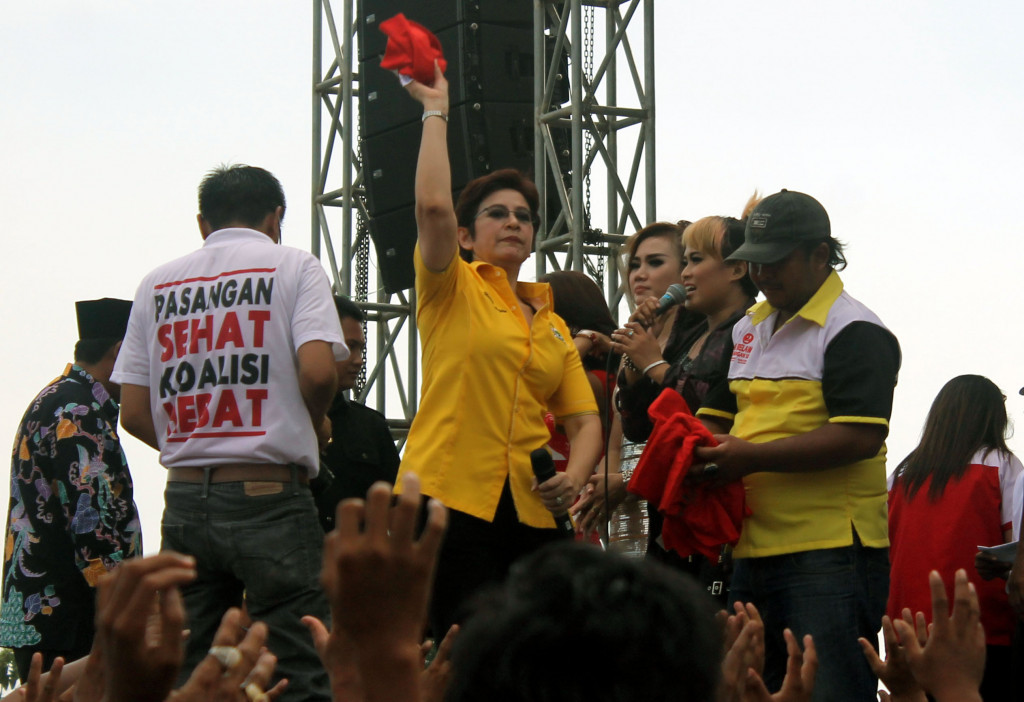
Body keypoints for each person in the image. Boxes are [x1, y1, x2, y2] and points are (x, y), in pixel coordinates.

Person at [111, 164, 346, 701]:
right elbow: (318, 374)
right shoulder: (295, 266)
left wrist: (201, 443)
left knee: (189, 669)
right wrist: (314, 427)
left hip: (185, 501)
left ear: (203, 223)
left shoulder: (156, 283)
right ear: (276, 218)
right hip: (271, 498)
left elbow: (134, 413)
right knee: (296, 669)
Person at [397, 61, 603, 637]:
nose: (514, 222)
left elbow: (584, 420)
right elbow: (432, 207)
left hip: (533, 511)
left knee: (534, 655)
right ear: (465, 236)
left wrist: (574, 477)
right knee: (456, 651)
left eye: (524, 217)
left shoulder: (552, 323)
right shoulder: (450, 285)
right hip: (446, 501)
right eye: (497, 214)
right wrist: (435, 110)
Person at [693, 189, 901, 701]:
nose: (762, 274)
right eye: (754, 262)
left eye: (776, 261)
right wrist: (692, 448)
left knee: (829, 691)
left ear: (820, 255)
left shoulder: (856, 329)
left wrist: (748, 457)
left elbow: (860, 435)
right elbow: (715, 416)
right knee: (752, 692)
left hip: (829, 553)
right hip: (752, 548)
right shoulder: (749, 326)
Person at [0, 298, 141, 682]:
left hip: (46, 617)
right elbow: (91, 524)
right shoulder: (77, 411)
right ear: (120, 352)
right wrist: (131, 608)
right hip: (70, 621)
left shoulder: (58, 398)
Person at [888, 375, 1021, 698]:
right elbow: (1015, 548)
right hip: (980, 633)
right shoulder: (1002, 465)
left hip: (906, 631)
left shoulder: (901, 475)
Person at [312, 295, 400, 531]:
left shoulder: (371, 426)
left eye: (361, 348)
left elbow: (396, 510)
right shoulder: (281, 423)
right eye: (350, 347)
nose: (359, 360)